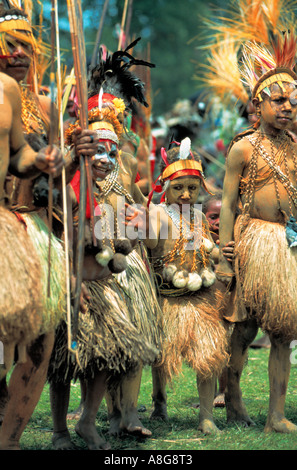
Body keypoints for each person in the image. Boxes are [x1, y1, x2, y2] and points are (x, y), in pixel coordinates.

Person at [0, 5, 92, 449]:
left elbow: (47, 175)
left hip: (30, 234)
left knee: (41, 337)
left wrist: (71, 154)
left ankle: (10, 439)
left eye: (27, 46)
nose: (19, 54)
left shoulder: (39, 105)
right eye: (9, 44)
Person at [216, 35, 297, 433]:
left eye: (293, 101)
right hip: (252, 243)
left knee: (283, 330)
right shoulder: (243, 148)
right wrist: (224, 253)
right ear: (258, 103)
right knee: (244, 329)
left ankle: (276, 417)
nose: (287, 107)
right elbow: (228, 205)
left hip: (287, 244)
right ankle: (232, 401)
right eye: (278, 100)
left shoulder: (296, 147)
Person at [126, 138, 232, 434]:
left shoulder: (197, 216)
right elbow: (149, 244)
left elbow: (203, 248)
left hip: (199, 299)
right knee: (160, 357)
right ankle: (159, 403)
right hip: (166, 300)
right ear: (164, 186)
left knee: (208, 357)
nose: (185, 194)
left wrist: (219, 251)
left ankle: (206, 417)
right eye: (178, 188)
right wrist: (141, 226)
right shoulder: (158, 214)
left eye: (192, 188)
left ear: (201, 189)